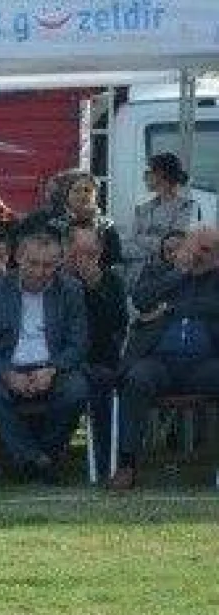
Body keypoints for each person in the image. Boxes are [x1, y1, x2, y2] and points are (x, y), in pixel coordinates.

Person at [0, 232, 91, 482]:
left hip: (53, 366)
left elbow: (78, 343)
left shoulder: (71, 289)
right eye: (33, 263)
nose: (40, 272)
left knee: (76, 390)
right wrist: (7, 374)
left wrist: (52, 369)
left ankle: (40, 455)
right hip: (9, 365)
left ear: (58, 264)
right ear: (18, 259)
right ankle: (37, 459)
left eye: (48, 265)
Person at [109, 225, 219, 490]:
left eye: (211, 251)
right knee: (136, 379)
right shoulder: (159, 271)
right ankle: (127, 464)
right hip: (158, 361)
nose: (205, 256)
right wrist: (179, 274)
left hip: (205, 363)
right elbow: (141, 299)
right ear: (186, 246)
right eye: (200, 249)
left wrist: (171, 309)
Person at [65, 226, 131, 465]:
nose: (83, 260)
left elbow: (117, 325)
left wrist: (94, 289)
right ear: (66, 251)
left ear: (101, 252)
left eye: (91, 254)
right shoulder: (55, 281)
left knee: (104, 379)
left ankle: (108, 458)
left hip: (99, 358)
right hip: (63, 360)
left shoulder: (112, 281)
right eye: (77, 254)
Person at [127, 152, 202, 282]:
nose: (144, 178)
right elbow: (131, 242)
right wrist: (160, 243)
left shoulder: (187, 208)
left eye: (148, 173)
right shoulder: (142, 209)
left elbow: (175, 245)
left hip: (169, 278)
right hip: (137, 277)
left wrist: (144, 240)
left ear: (161, 175)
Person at [49, 171, 124, 275]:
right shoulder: (54, 226)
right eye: (77, 191)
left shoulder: (106, 227)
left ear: (95, 195)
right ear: (67, 195)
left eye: (87, 190)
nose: (82, 195)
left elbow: (116, 262)